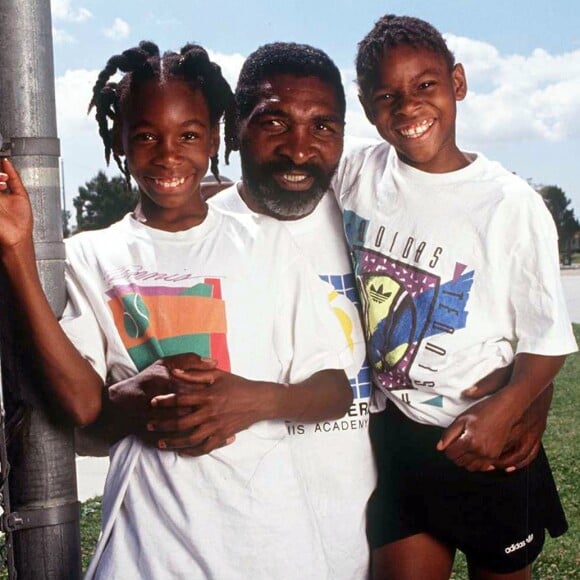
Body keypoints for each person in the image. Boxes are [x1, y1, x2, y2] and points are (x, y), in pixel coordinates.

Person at [0, 41, 354, 579]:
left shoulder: (268, 241)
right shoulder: (92, 256)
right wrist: (18, 254)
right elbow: (82, 405)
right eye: (146, 136)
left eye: (189, 135)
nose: (168, 155)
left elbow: (334, 390)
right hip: (149, 551)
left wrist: (253, 400)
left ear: (215, 136)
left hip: (269, 544)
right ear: (120, 142)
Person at [330, 14, 578, 580]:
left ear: (457, 82)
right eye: (386, 96)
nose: (408, 106)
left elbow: (547, 341)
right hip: (394, 436)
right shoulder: (357, 173)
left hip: (484, 441)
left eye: (425, 86)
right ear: (368, 109)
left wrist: (509, 409)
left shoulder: (509, 204)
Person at [208, 42, 376, 580]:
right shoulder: (195, 237)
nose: (300, 150)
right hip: (238, 547)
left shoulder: (365, 221)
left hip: (362, 542)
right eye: (274, 122)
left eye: (323, 127)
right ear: (235, 126)